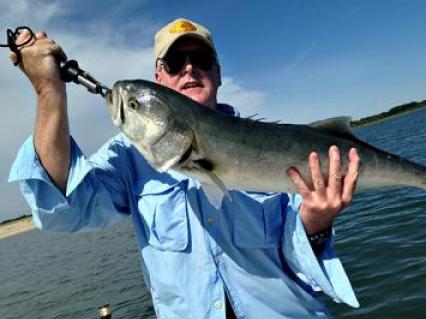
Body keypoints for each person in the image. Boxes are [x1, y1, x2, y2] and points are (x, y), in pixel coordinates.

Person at [9, 18, 361, 318]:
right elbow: (66, 209)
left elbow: (300, 251)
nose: (190, 68)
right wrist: (48, 91)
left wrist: (317, 222)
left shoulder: (273, 143)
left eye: (201, 59)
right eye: (176, 61)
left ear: (218, 74)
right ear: (160, 77)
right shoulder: (127, 156)